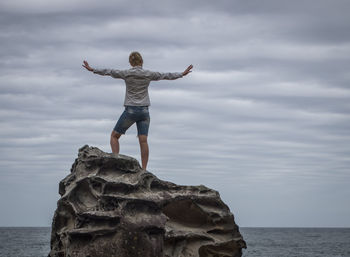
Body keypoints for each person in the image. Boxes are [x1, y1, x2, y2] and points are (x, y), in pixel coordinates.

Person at [82, 51, 193, 170]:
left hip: (131, 110)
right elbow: (166, 75)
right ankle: (144, 169)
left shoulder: (126, 73)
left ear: (130, 62)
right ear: (142, 62)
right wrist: (181, 74)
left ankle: (116, 162)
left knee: (114, 136)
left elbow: (109, 72)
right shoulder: (148, 74)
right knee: (143, 141)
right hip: (144, 111)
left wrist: (92, 69)